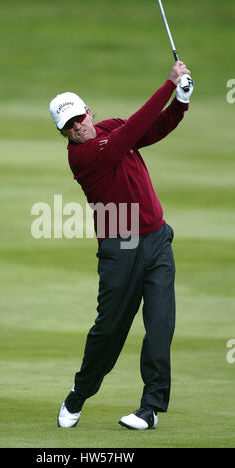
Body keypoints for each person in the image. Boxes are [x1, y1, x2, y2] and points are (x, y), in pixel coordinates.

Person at [49, 61, 194, 430]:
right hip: (121, 246)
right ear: (63, 133)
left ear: (88, 111)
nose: (77, 127)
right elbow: (131, 134)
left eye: (79, 118)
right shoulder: (81, 156)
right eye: (68, 126)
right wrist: (168, 84)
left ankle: (150, 408)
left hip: (158, 237)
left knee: (161, 326)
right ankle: (79, 393)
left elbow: (150, 128)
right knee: (110, 330)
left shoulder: (110, 127)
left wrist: (180, 103)